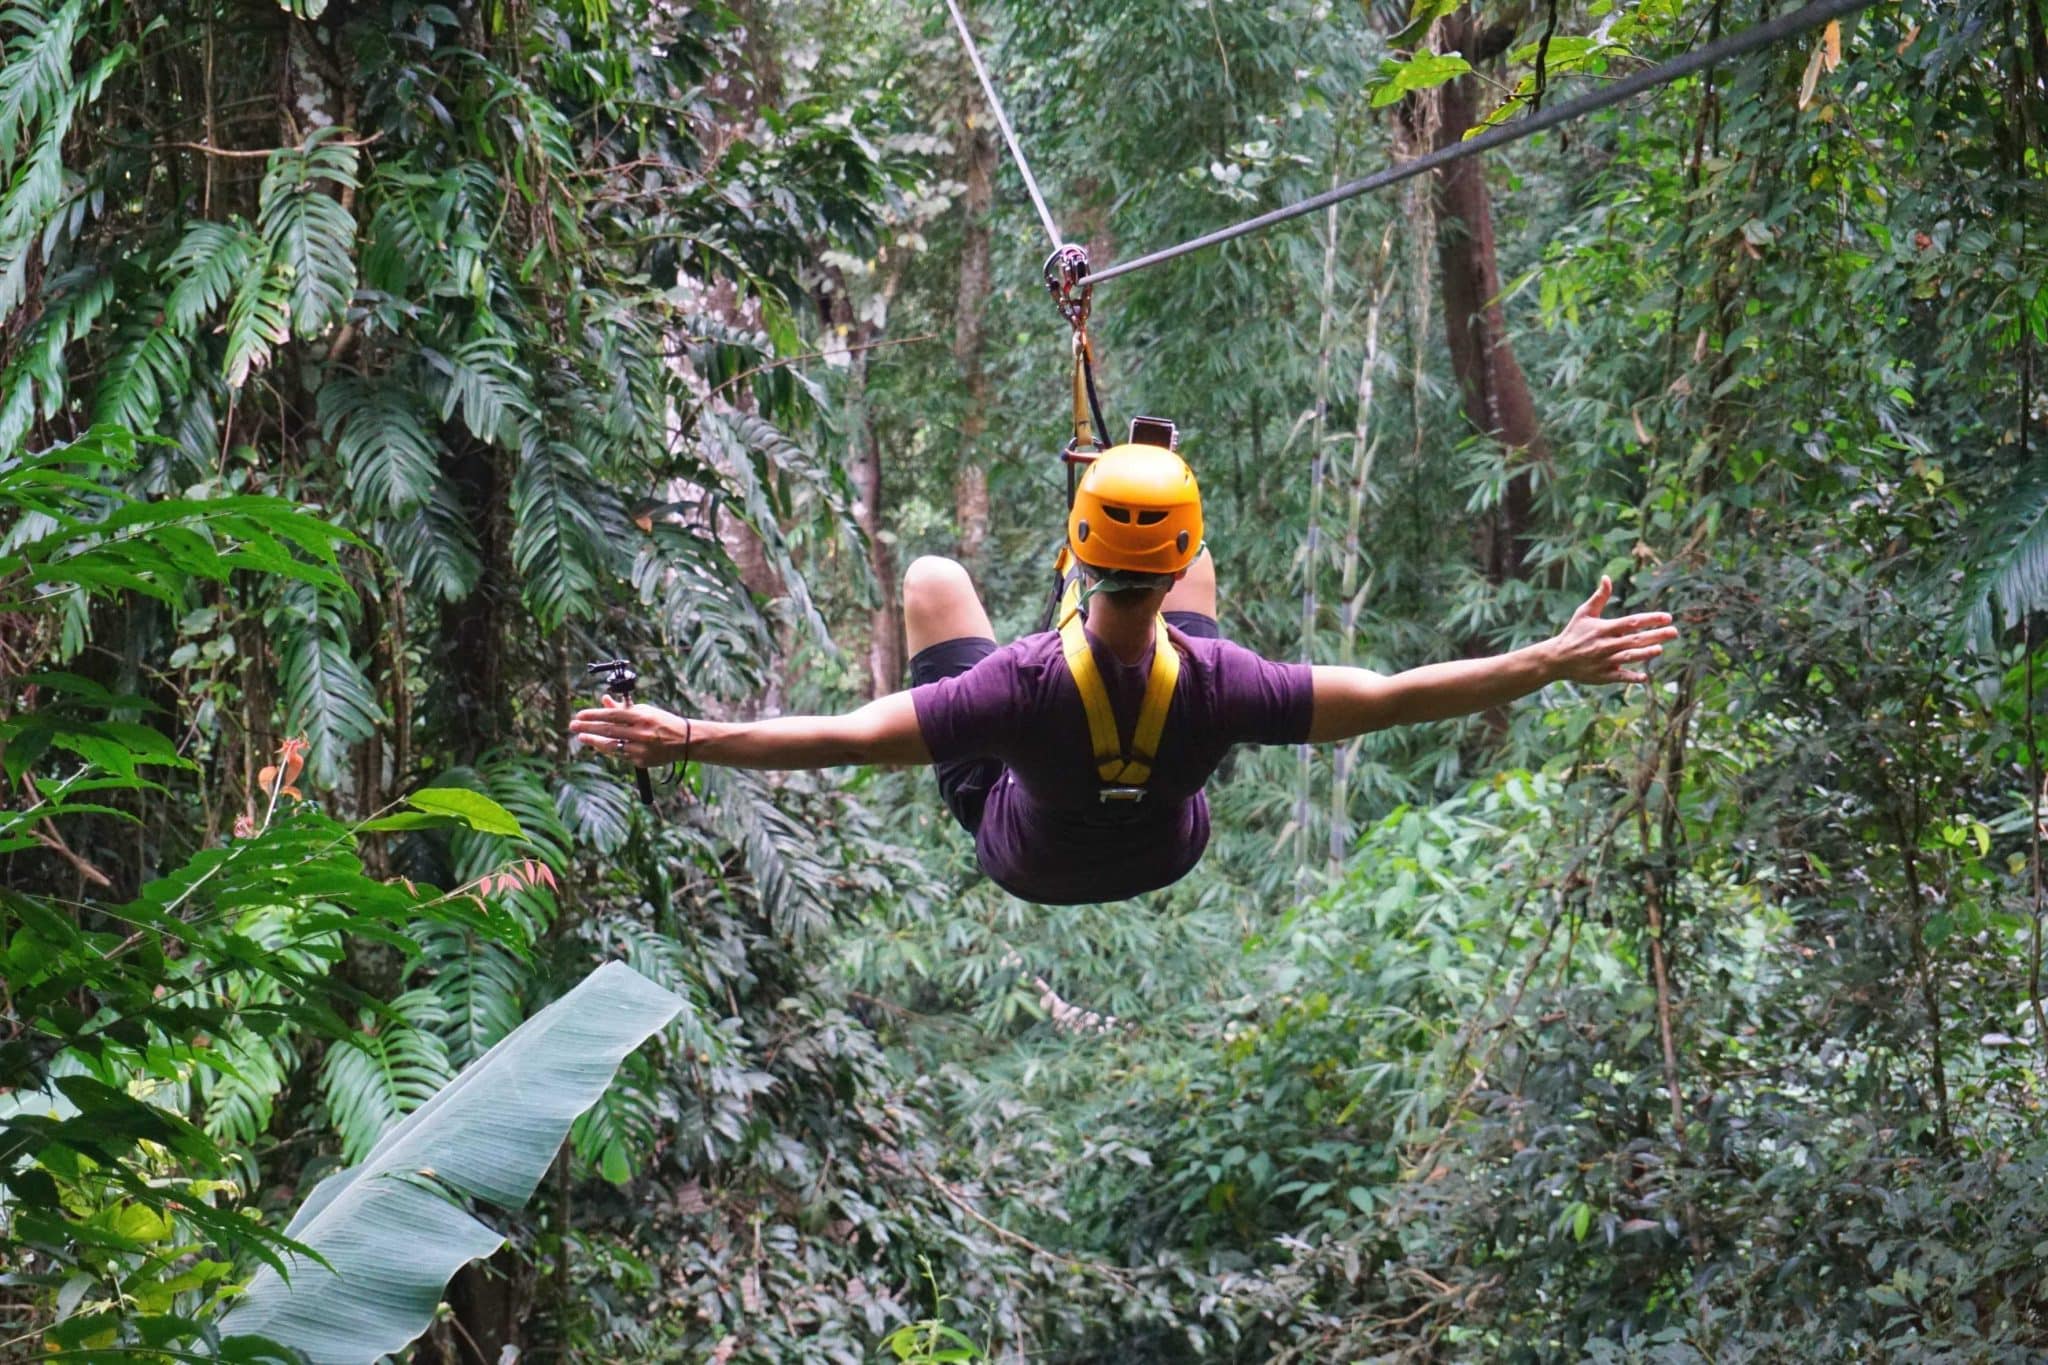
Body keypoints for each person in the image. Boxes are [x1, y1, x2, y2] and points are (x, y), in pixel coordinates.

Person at [568, 444, 1677, 905]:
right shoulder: (1224, 682)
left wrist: (688, 737)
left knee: (932, 576)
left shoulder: (1008, 689)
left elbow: (846, 736)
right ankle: (1143, 509)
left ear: (1075, 550)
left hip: (1027, 854)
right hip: (1163, 844)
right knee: (1190, 660)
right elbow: (1393, 696)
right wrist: (1549, 659)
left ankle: (1122, 510)